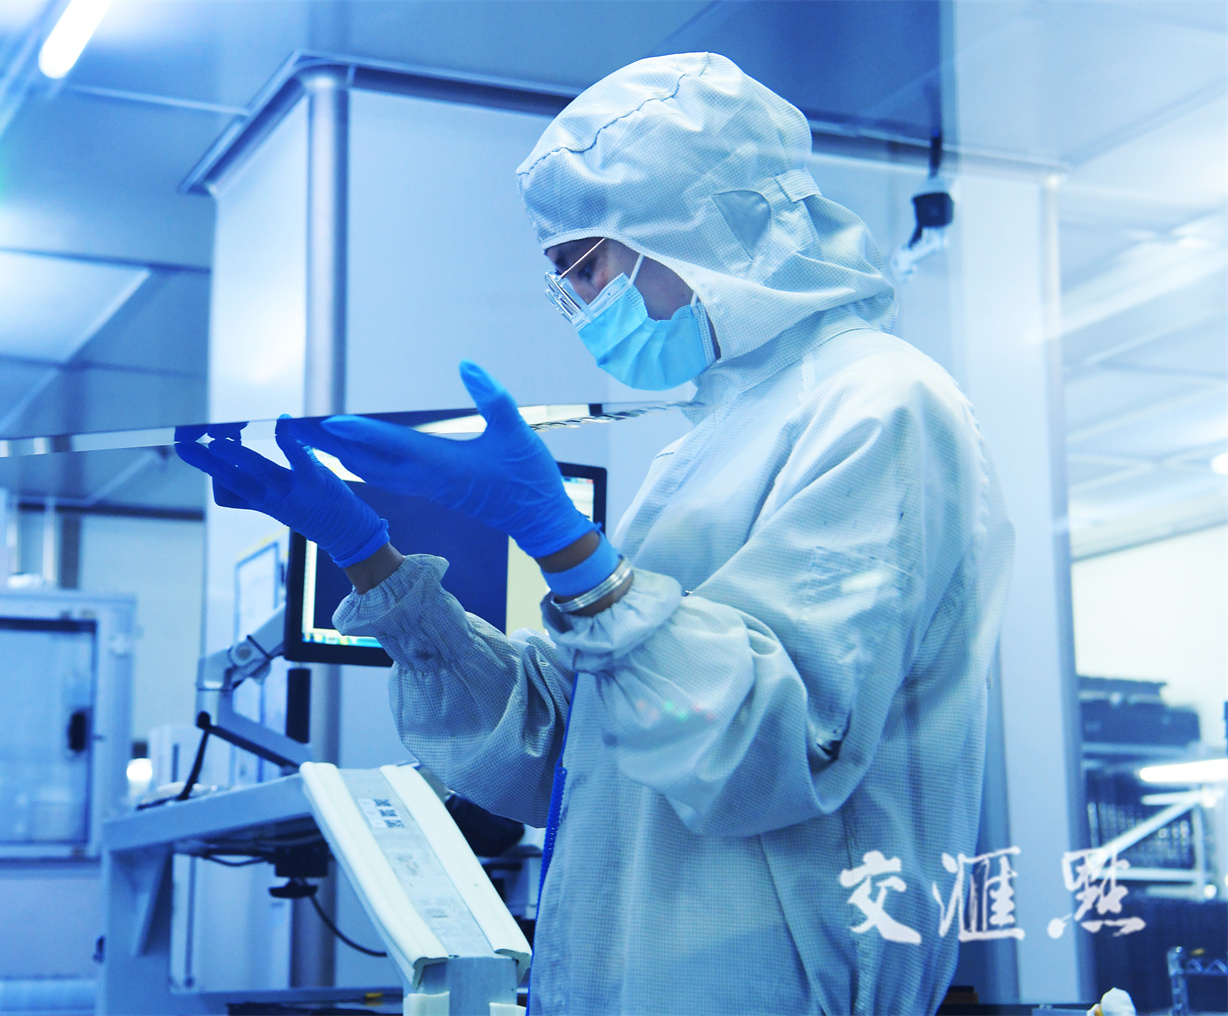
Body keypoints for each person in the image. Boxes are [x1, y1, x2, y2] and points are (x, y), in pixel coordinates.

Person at [177, 52, 1013, 1016]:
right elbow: (568, 744)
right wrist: (369, 556)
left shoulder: (882, 402)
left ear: (701, 222)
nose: (580, 301)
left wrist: (567, 547)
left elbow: (771, 749)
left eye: (586, 263)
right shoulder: (705, 446)